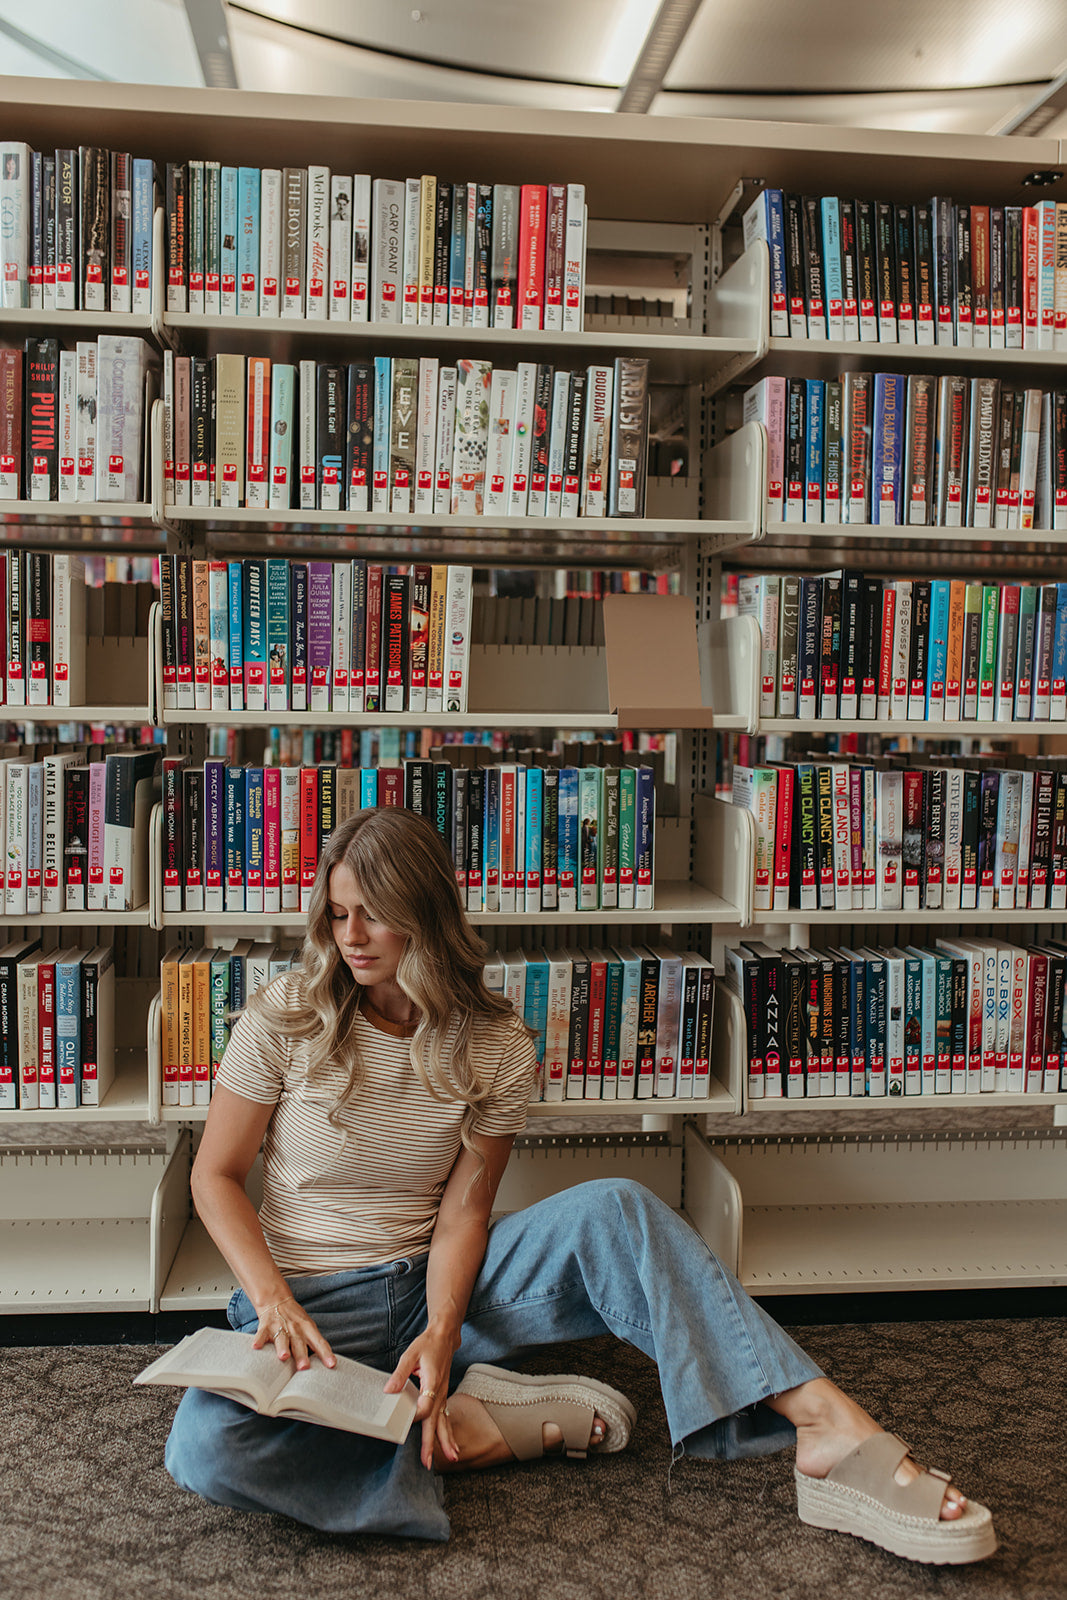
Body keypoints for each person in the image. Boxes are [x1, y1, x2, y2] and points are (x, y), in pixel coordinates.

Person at [165, 807, 995, 1564]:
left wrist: (445, 1331)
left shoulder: (493, 1045)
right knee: (203, 1448)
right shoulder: (282, 1013)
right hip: (307, 1310)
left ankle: (827, 1430)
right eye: (338, 914)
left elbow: (464, 1212)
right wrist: (272, 1299)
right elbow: (216, 1175)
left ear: (425, 913)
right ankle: (469, 1427)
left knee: (618, 1208)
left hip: (432, 1286)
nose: (351, 936)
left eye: (373, 913)